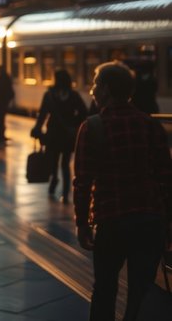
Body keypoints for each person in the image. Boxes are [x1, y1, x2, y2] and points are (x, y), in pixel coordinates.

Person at [73, 61, 172, 321]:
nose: (92, 91)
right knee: (141, 293)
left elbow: (82, 182)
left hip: (111, 220)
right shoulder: (150, 125)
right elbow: (166, 176)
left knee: (104, 289)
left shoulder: (92, 127)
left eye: (95, 85)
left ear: (105, 89)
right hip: (150, 220)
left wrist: (82, 224)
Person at [31, 69, 87, 203]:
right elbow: (83, 113)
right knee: (65, 164)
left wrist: (37, 129)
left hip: (53, 134)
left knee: (53, 161)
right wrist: (74, 125)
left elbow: (42, 114)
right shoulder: (74, 95)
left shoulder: (49, 95)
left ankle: (54, 181)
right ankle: (66, 193)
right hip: (67, 135)